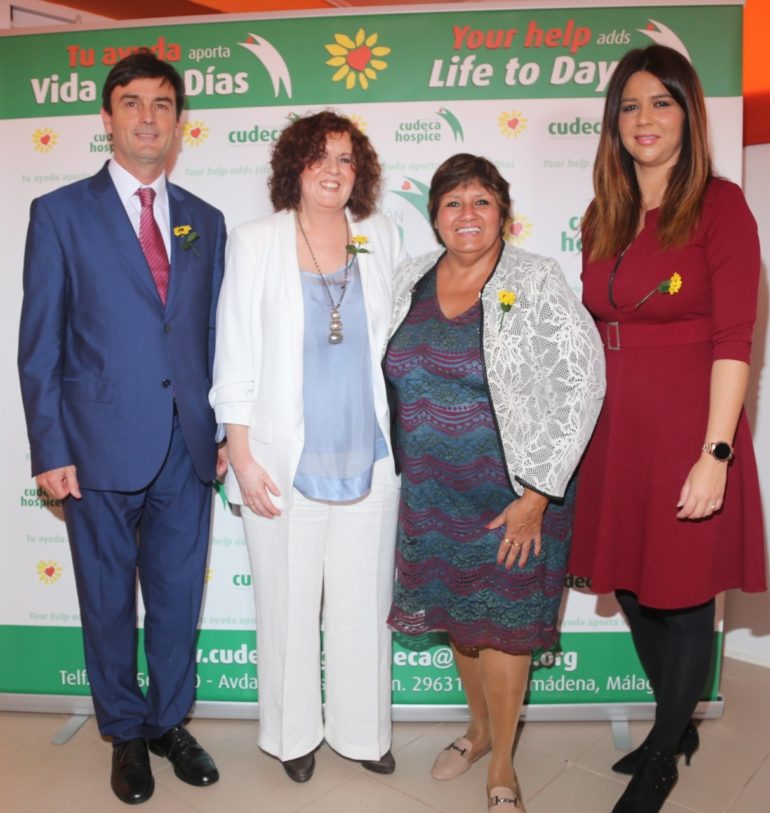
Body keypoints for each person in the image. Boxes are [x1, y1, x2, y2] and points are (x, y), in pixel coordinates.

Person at [17, 51, 226, 805]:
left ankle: (170, 721)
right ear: (106, 117)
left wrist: (227, 429)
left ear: (178, 121)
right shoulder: (60, 213)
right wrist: (51, 448)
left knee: (176, 599)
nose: (148, 116)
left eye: (163, 104)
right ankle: (125, 733)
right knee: (107, 600)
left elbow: (213, 337)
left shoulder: (207, 220)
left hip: (188, 447)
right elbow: (40, 342)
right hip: (96, 447)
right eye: (132, 102)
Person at [568, 44, 765, 813]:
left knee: (682, 598)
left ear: (689, 114)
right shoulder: (602, 213)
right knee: (638, 588)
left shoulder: (721, 206)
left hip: (691, 421)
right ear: (613, 123)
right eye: (629, 106)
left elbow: (734, 339)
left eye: (661, 102)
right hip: (618, 429)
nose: (644, 119)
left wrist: (715, 452)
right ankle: (673, 725)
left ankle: (662, 753)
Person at [384, 153, 605, 812]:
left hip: (513, 494)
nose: (467, 215)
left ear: (503, 211)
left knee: (506, 628)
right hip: (432, 491)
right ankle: (477, 732)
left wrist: (538, 493)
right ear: (434, 217)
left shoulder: (534, 278)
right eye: (452, 202)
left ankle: (503, 763)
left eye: (481, 200)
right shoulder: (409, 276)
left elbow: (582, 381)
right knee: (462, 623)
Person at [210, 111, 403, 782]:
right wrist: (240, 451)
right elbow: (233, 350)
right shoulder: (256, 240)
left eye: (347, 159)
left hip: (368, 455)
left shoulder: (378, 236)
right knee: (286, 606)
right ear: (294, 166)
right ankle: (292, 735)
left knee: (363, 604)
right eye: (320, 156)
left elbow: (396, 340)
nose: (334, 169)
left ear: (361, 173)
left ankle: (362, 730)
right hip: (280, 462)